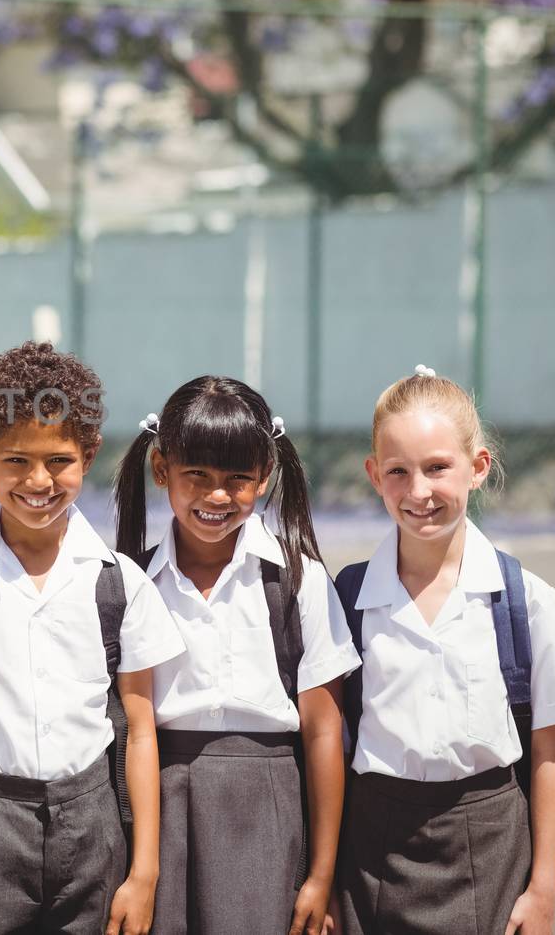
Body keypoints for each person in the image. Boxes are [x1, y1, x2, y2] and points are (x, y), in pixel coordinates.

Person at [0, 342, 185, 935]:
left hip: (93, 829)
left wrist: (144, 874)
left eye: (58, 460)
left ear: (88, 455)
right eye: (15, 461)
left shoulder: (120, 583)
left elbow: (138, 734)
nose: (38, 481)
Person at [332, 366, 555, 935]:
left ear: (477, 467)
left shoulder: (525, 599)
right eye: (397, 472)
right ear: (373, 475)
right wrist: (324, 879)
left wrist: (544, 889)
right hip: (370, 853)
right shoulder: (347, 598)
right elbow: (327, 747)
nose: (418, 491)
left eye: (437, 468)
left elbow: (549, 755)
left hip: (491, 844)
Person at [113, 376, 358, 935]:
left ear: (265, 477)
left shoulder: (300, 582)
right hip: (158, 807)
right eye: (196, 474)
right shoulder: (128, 583)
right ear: (161, 469)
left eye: (238, 479)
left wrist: (322, 876)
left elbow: (324, 732)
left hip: (267, 811)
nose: (216, 496)